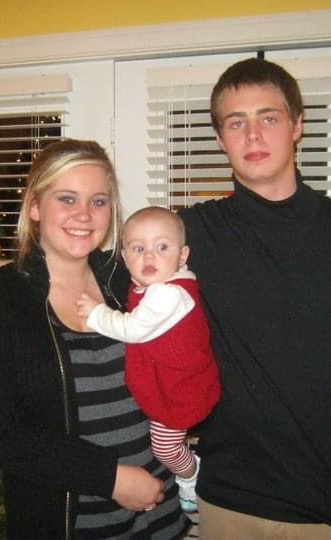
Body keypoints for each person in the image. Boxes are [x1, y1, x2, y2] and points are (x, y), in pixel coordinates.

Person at [0, 58, 331, 540]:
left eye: (269, 117)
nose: (253, 135)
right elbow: (67, 260)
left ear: (297, 125)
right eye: (236, 122)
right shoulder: (186, 235)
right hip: (224, 501)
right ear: (220, 138)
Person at [0, 139, 189, 539]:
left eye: (98, 201)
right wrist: (110, 478)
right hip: (70, 523)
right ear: (34, 206)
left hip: (160, 516)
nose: (84, 215)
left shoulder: (133, 280)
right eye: (67, 198)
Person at [76, 206, 221, 513]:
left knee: (165, 447)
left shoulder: (169, 294)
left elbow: (132, 329)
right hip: (171, 384)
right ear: (125, 257)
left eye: (162, 247)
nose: (150, 256)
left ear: (182, 256)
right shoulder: (152, 287)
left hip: (182, 391)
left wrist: (95, 313)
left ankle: (191, 475)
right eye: (138, 249)